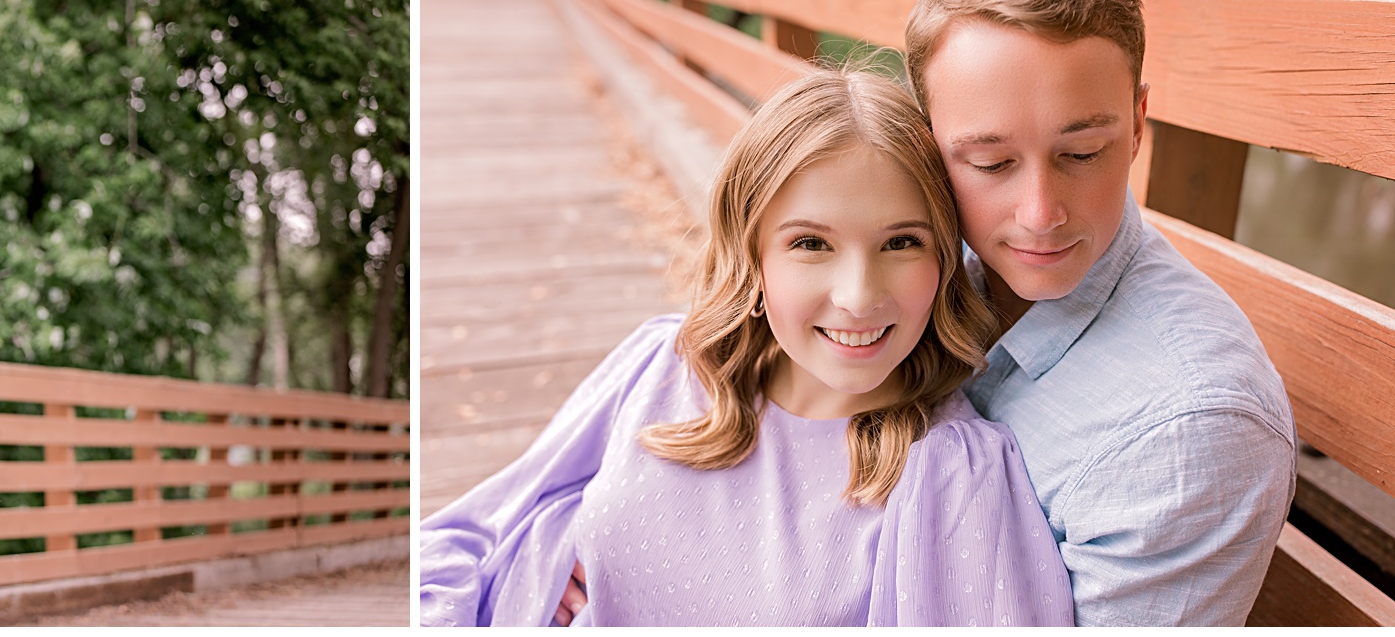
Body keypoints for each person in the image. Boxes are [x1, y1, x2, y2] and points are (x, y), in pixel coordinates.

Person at [552, 0, 1296, 627]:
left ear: (1137, 124)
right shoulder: (923, 253)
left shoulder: (1191, 430)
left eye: (1082, 152)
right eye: (989, 160)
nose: (1040, 213)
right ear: (929, 139)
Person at [419, 66, 1073, 627]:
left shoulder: (952, 475)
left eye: (901, 242)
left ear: (943, 259)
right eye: (811, 243)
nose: (856, 294)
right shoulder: (667, 364)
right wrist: (553, 545)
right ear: (753, 260)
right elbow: (473, 533)